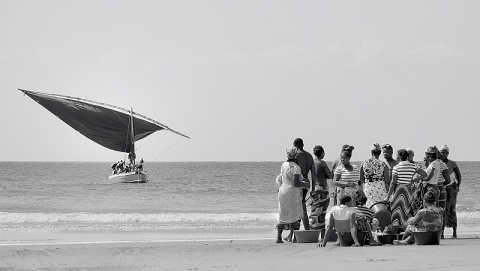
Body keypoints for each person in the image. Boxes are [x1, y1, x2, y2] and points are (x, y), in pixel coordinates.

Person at [275, 147, 311, 243]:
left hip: (282, 191)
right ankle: (295, 238)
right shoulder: (296, 168)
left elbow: (283, 178)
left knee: (283, 214)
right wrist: (306, 184)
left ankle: (279, 237)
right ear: (296, 157)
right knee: (297, 214)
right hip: (292, 193)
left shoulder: (283, 165)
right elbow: (296, 183)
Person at [386, 149, 428, 228]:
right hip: (408, 191)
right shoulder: (413, 166)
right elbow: (424, 174)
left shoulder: (396, 167)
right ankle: (405, 231)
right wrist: (413, 180)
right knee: (406, 211)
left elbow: (393, 183)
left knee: (396, 212)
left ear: (400, 156)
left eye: (397, 155)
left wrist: (388, 197)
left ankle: (396, 232)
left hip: (399, 190)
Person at [293, 138, 316, 231]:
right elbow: (313, 174)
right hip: (306, 184)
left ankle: (297, 233)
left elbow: (293, 172)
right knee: (302, 207)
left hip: (298, 184)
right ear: (303, 144)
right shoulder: (310, 156)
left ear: (294, 145)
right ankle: (304, 231)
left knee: (299, 209)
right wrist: (313, 188)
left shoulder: (296, 156)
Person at [310, 145, 333, 237]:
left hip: (314, 190)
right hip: (322, 189)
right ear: (322, 153)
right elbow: (330, 175)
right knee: (322, 213)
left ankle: (313, 234)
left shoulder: (312, 163)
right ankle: (323, 236)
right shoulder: (322, 163)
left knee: (314, 213)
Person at [440, 144, 462, 239]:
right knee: (442, 210)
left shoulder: (452, 163)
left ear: (447, 153)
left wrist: (457, 187)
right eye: (440, 152)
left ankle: (454, 233)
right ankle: (441, 233)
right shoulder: (438, 163)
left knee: (452, 209)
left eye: (443, 152)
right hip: (442, 188)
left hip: (451, 189)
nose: (441, 154)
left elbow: (458, 175)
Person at [360, 143, 389, 207]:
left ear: (371, 152)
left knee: (370, 206)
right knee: (381, 206)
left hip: (368, 186)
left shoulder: (364, 162)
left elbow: (361, 179)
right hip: (380, 187)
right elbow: (387, 181)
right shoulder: (383, 164)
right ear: (380, 153)